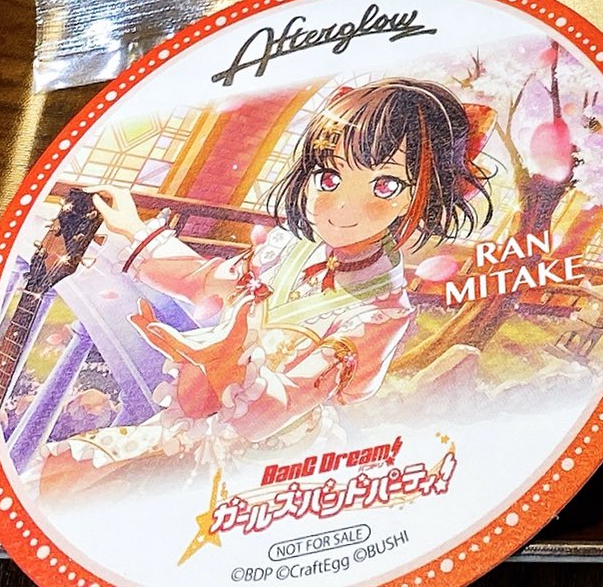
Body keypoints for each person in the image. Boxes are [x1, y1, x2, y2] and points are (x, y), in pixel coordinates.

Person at [46, 79, 494, 479]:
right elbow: (210, 281)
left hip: (274, 466)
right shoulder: (289, 248)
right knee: (66, 472)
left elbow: (283, 405)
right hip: (197, 423)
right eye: (329, 176)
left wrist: (230, 363)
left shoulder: (381, 314)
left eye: (385, 186)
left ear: (423, 196)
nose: (340, 205)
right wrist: (134, 231)